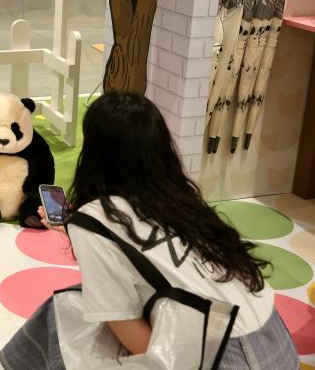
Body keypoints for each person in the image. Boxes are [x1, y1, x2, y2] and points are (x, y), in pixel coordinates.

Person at [37, 92, 298, 368]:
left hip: (222, 357)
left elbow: (138, 339)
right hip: (277, 342)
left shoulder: (94, 219)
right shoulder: (176, 196)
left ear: (93, 152)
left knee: (67, 310)